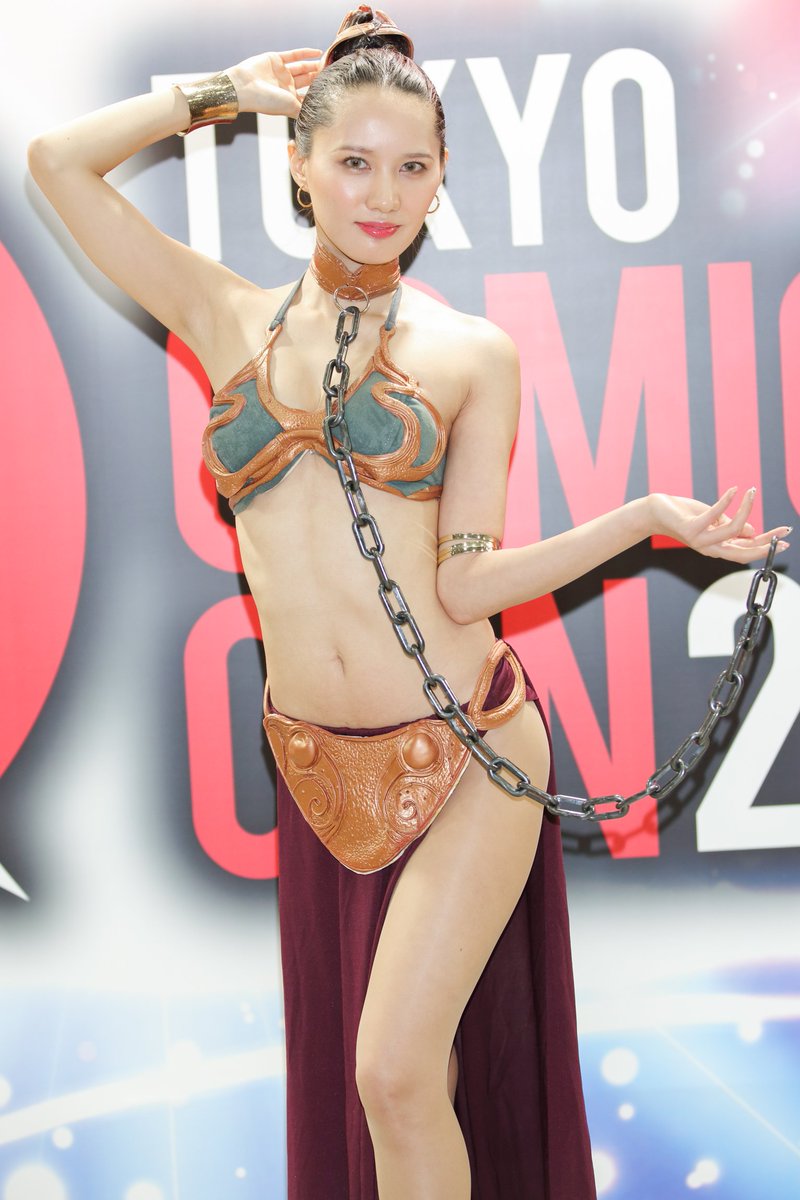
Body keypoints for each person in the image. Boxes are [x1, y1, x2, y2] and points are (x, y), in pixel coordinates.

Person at [28, 7, 790, 1199]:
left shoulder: (469, 353)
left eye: (412, 167)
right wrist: (227, 90)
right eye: (353, 160)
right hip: (318, 770)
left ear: (438, 181)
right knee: (383, 1086)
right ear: (299, 163)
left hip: (467, 751)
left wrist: (641, 519)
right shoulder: (221, 314)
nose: (381, 194)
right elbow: (54, 163)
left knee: (389, 1074)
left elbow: (463, 582)